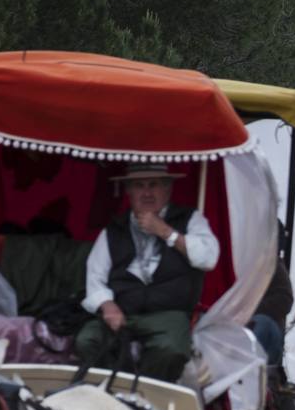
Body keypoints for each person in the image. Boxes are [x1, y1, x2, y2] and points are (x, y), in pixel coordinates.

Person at [77, 162, 220, 381]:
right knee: (87, 340)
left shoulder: (189, 219)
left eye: (154, 185)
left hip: (168, 314)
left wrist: (165, 231)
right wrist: (108, 306)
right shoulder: (114, 229)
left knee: (171, 350)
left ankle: (147, 397)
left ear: (168, 188)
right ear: (129, 191)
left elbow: (208, 258)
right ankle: (113, 392)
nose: (146, 192)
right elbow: (95, 276)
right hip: (123, 311)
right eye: (138, 185)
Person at [250, 258, 292, 369]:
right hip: (232, 327)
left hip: (258, 325)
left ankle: (256, 373)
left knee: (263, 324)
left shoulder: (270, 262)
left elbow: (285, 300)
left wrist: (249, 309)